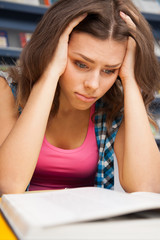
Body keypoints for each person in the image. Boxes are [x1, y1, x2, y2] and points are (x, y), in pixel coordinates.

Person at [0, 0, 160, 195]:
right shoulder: (7, 90)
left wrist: (131, 79)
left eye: (109, 70)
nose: (93, 84)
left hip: (82, 224)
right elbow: (8, 185)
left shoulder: (112, 109)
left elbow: (148, 188)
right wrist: (50, 73)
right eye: (81, 64)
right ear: (53, 50)